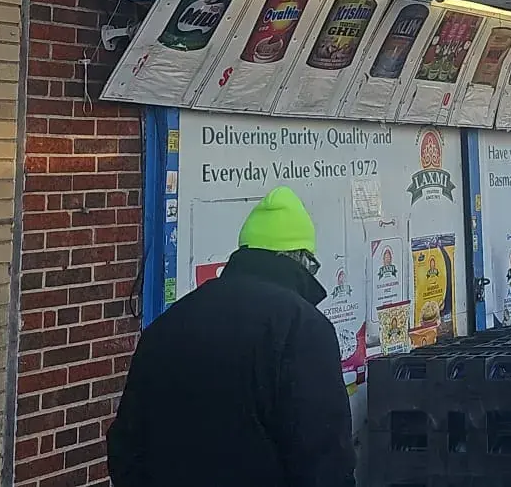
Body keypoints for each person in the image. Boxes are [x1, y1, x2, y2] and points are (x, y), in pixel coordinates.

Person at [108, 186, 355, 487]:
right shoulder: (302, 328)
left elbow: (125, 444)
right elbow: (324, 459)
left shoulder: (170, 323)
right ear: (298, 259)